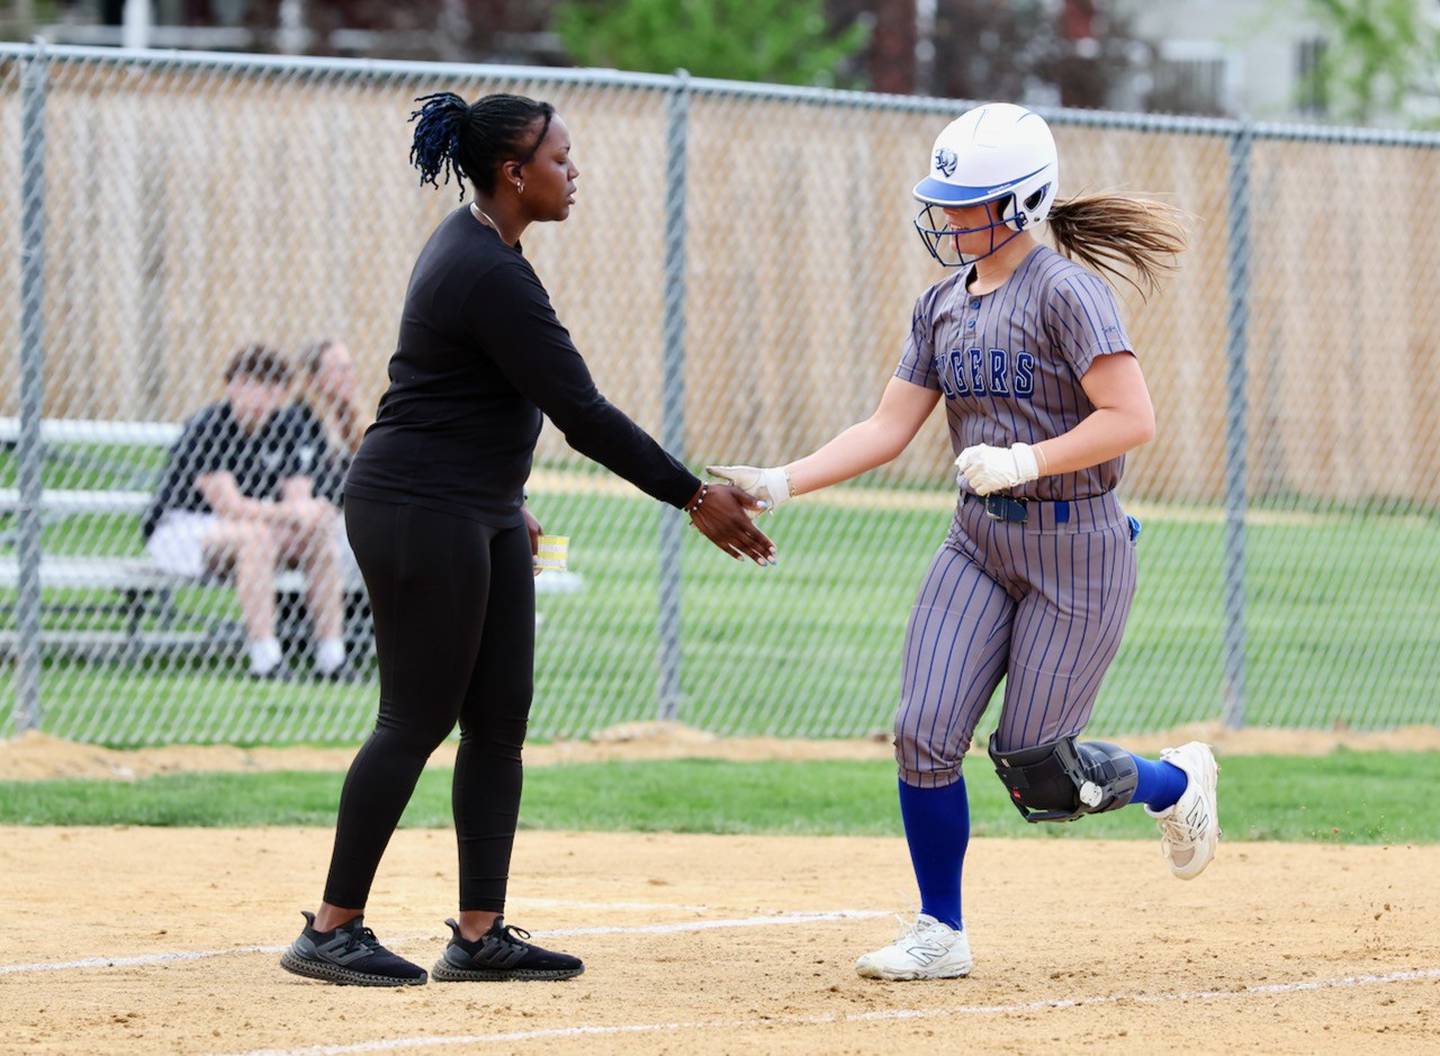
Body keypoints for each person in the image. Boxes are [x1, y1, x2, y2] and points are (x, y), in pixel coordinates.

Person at [707, 102, 1218, 982]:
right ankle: (939, 930)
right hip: (977, 545)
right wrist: (785, 480)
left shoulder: (1066, 291)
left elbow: (1132, 419)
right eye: (943, 197)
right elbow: (885, 427)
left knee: (1042, 775)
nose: (946, 215)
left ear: (1020, 204)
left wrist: (1027, 458)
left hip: (1077, 553)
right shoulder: (940, 303)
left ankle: (1178, 784)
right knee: (923, 731)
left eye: (967, 199)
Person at [280, 91, 775, 988]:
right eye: (560, 158)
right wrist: (693, 495)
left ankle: (479, 934)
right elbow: (579, 413)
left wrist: (504, 498)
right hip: (418, 506)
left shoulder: (488, 246)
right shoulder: (486, 270)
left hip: (478, 507)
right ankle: (331, 926)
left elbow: (477, 396)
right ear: (515, 173)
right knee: (415, 718)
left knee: (499, 720)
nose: (573, 171)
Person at [143, 344, 346, 680]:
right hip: (181, 528)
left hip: (253, 527)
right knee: (257, 539)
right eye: (249, 384)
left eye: (269, 387)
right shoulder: (209, 425)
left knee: (318, 538)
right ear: (231, 386)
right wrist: (294, 512)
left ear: (281, 393)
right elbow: (230, 506)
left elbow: (298, 500)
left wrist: (309, 514)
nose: (259, 396)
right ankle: (265, 660)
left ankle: (332, 659)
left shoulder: (286, 427)